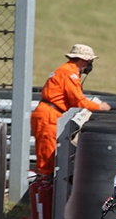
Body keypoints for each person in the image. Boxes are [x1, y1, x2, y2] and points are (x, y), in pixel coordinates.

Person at [30, 43, 111, 178]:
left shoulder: (68, 71)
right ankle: (43, 194)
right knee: (47, 160)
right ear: (82, 60)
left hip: (50, 114)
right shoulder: (69, 73)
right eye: (89, 61)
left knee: (50, 156)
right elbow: (78, 101)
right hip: (49, 116)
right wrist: (99, 107)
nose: (90, 64)